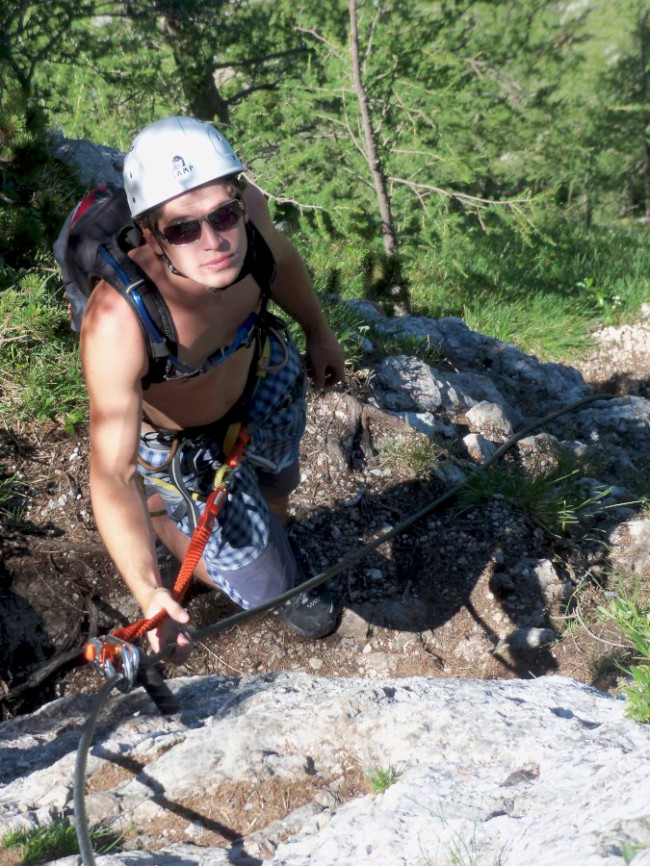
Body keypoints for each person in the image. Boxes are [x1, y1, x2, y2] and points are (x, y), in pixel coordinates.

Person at [81, 116, 346, 662]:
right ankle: (166, 513)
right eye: (183, 229)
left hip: (261, 374)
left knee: (279, 484)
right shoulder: (118, 321)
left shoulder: (249, 221)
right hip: (179, 440)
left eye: (224, 215)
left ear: (238, 199)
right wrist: (149, 590)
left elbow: (282, 260)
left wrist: (319, 333)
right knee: (269, 586)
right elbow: (111, 472)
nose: (215, 241)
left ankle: (262, 525)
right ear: (152, 233)